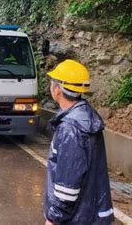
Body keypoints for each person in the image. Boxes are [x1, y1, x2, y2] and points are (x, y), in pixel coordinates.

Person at [44, 59, 114, 224]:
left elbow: (68, 182)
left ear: (57, 90)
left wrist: (54, 218)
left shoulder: (71, 128)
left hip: (77, 218)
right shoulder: (86, 117)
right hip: (92, 214)